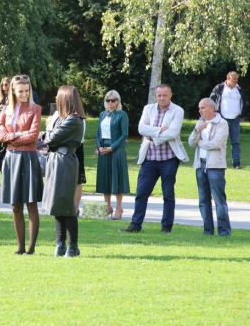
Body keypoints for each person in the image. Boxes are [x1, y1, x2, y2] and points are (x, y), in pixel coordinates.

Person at [120, 84, 189, 234]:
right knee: (141, 193)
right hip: (149, 158)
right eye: (159, 95)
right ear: (155, 96)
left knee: (168, 194)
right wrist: (159, 131)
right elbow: (140, 129)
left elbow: (172, 133)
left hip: (169, 159)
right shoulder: (148, 109)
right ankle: (135, 224)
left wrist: (152, 136)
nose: (162, 98)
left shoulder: (177, 110)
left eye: (165, 95)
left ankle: (166, 227)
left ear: (170, 95)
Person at [0, 75, 43, 254]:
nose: (24, 94)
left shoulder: (35, 109)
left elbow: (33, 136)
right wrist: (14, 136)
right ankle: (20, 247)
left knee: (31, 203)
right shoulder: (7, 109)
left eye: (26, 91)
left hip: (28, 158)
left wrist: (11, 137)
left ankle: (31, 248)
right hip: (10, 158)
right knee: (15, 205)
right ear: (13, 91)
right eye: (20, 91)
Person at [42, 85, 85, 257]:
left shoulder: (73, 120)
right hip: (56, 160)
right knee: (57, 204)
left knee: (66, 205)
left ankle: (72, 246)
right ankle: (60, 244)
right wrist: (49, 135)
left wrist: (47, 133)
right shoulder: (62, 118)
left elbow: (51, 138)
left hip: (65, 161)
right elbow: (51, 139)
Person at [188, 98, 231, 236]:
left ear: (211, 108)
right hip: (200, 164)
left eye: (203, 108)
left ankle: (224, 231)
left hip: (215, 166)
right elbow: (190, 142)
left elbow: (216, 144)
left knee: (219, 200)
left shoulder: (222, 123)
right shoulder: (200, 123)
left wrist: (200, 143)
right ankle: (208, 230)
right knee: (203, 200)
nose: (200, 110)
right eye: (199, 108)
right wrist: (196, 130)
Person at [95, 90, 130, 220]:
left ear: (118, 101)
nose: (110, 103)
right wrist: (99, 147)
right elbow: (98, 132)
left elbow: (124, 134)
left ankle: (119, 208)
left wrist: (112, 147)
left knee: (117, 179)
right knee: (105, 179)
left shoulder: (122, 115)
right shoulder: (102, 115)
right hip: (103, 149)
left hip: (117, 149)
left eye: (113, 100)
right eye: (108, 100)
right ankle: (107, 206)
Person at [210, 71, 247, 169]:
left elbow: (243, 102)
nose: (236, 81)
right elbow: (212, 100)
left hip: (235, 119)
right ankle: (219, 161)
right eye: (234, 79)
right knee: (221, 141)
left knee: (236, 142)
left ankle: (236, 162)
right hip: (222, 119)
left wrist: (242, 113)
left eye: (237, 79)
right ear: (228, 78)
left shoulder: (239, 89)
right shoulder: (220, 88)